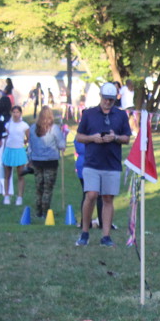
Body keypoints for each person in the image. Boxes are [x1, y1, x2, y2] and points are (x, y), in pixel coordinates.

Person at [74, 82, 132, 247]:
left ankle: (106, 236)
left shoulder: (121, 115)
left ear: (115, 99)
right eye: (105, 99)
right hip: (92, 162)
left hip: (112, 163)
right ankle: (85, 232)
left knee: (107, 198)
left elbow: (126, 138)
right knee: (91, 195)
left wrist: (115, 137)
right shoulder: (89, 114)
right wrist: (93, 138)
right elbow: (79, 136)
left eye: (111, 100)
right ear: (100, 97)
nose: (107, 102)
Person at [28, 107, 66, 219]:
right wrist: (64, 137)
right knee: (47, 188)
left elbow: (30, 144)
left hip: (37, 160)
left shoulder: (33, 128)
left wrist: (30, 158)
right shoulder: (54, 129)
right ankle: (45, 212)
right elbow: (61, 145)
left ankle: (38, 211)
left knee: (39, 187)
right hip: (50, 161)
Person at [2, 106, 29, 206]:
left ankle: (20, 197)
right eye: (14, 112)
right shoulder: (8, 124)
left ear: (20, 113)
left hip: (19, 150)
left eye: (17, 112)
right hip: (9, 150)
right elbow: (5, 136)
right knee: (7, 175)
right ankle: (6, 195)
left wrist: (24, 142)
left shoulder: (24, 125)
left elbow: (28, 137)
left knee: (20, 175)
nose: (15, 114)